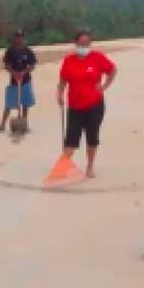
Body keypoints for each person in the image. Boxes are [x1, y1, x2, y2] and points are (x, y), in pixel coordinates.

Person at [57, 30, 117, 178]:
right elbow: (62, 82)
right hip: (75, 107)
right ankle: (63, 166)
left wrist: (104, 86)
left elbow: (112, 70)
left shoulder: (97, 57)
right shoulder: (68, 61)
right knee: (71, 138)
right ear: (75, 43)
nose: (84, 46)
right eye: (81, 43)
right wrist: (59, 95)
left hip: (95, 105)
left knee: (92, 137)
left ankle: (90, 167)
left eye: (87, 43)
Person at [0, 29, 37, 133]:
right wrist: (14, 73)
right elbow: (7, 66)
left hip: (26, 81)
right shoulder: (10, 51)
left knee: (25, 104)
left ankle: (24, 125)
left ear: (23, 38)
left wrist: (23, 73)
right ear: (14, 38)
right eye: (17, 37)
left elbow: (32, 65)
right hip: (13, 82)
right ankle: (2, 125)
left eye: (21, 37)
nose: (19, 39)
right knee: (9, 104)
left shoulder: (28, 51)